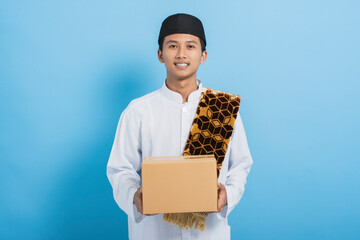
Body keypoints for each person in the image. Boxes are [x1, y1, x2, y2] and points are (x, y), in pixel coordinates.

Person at [107, 13, 253, 240]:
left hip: (208, 232)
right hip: (154, 231)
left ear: (203, 55)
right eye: (173, 45)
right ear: (160, 54)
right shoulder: (138, 111)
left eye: (190, 46)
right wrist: (134, 196)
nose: (181, 54)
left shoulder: (221, 108)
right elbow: (120, 169)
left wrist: (229, 195)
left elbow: (241, 166)